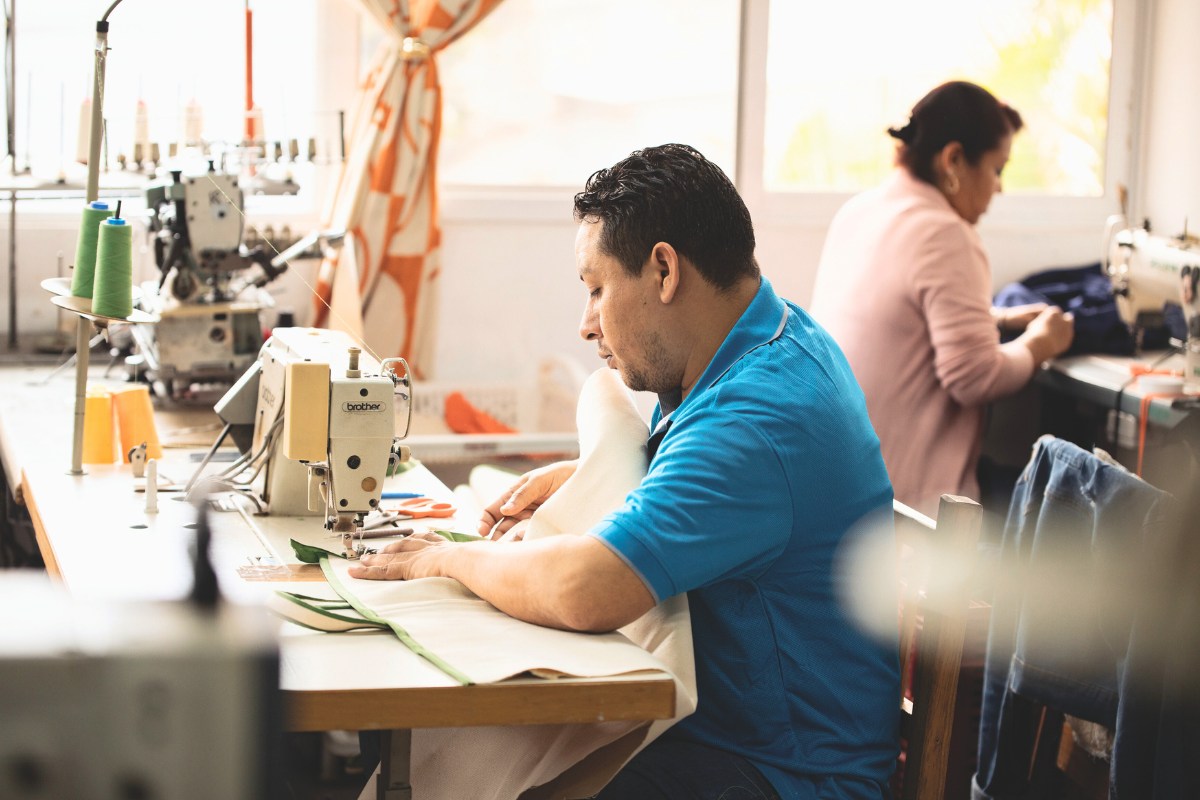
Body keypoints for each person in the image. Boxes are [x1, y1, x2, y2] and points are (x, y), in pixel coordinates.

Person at [350, 143, 900, 798]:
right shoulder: (775, 342)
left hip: (785, 776)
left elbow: (588, 590)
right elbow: (719, 487)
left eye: (597, 289)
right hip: (742, 739)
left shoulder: (757, 419)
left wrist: (440, 560)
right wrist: (586, 473)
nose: (587, 325)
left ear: (664, 270)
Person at [809, 80, 1075, 518]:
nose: (999, 189)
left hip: (833, 484)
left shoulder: (859, 210)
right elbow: (974, 378)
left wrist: (996, 319)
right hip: (904, 509)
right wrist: (1041, 342)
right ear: (953, 160)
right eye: (997, 170)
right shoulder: (946, 233)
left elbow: (898, 319)